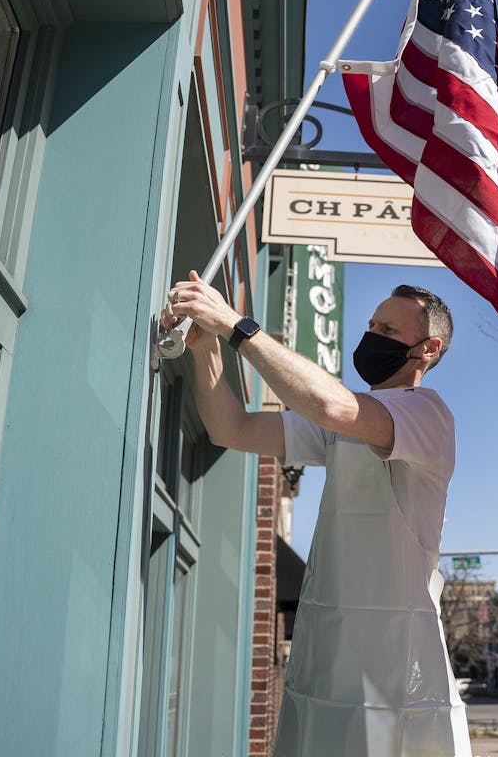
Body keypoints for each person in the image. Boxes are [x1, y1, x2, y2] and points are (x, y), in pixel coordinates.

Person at [162, 272, 469, 757]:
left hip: (396, 675)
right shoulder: (346, 423)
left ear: (427, 349)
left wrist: (234, 325)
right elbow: (232, 428)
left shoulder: (426, 412)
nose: (371, 336)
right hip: (327, 665)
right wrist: (205, 348)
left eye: (388, 331)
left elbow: (330, 403)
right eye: (372, 325)